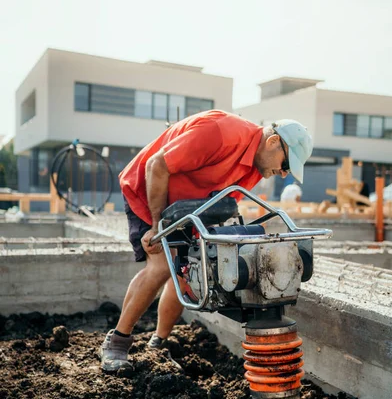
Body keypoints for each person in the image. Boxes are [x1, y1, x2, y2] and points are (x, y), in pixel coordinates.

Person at [100, 111, 313, 373]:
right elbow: (157, 165)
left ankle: (159, 342)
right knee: (162, 265)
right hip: (149, 190)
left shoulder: (257, 166)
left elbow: (224, 200)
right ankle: (117, 343)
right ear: (272, 142)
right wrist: (157, 226)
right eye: (286, 165)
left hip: (189, 204)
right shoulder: (220, 133)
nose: (282, 174)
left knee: (188, 269)